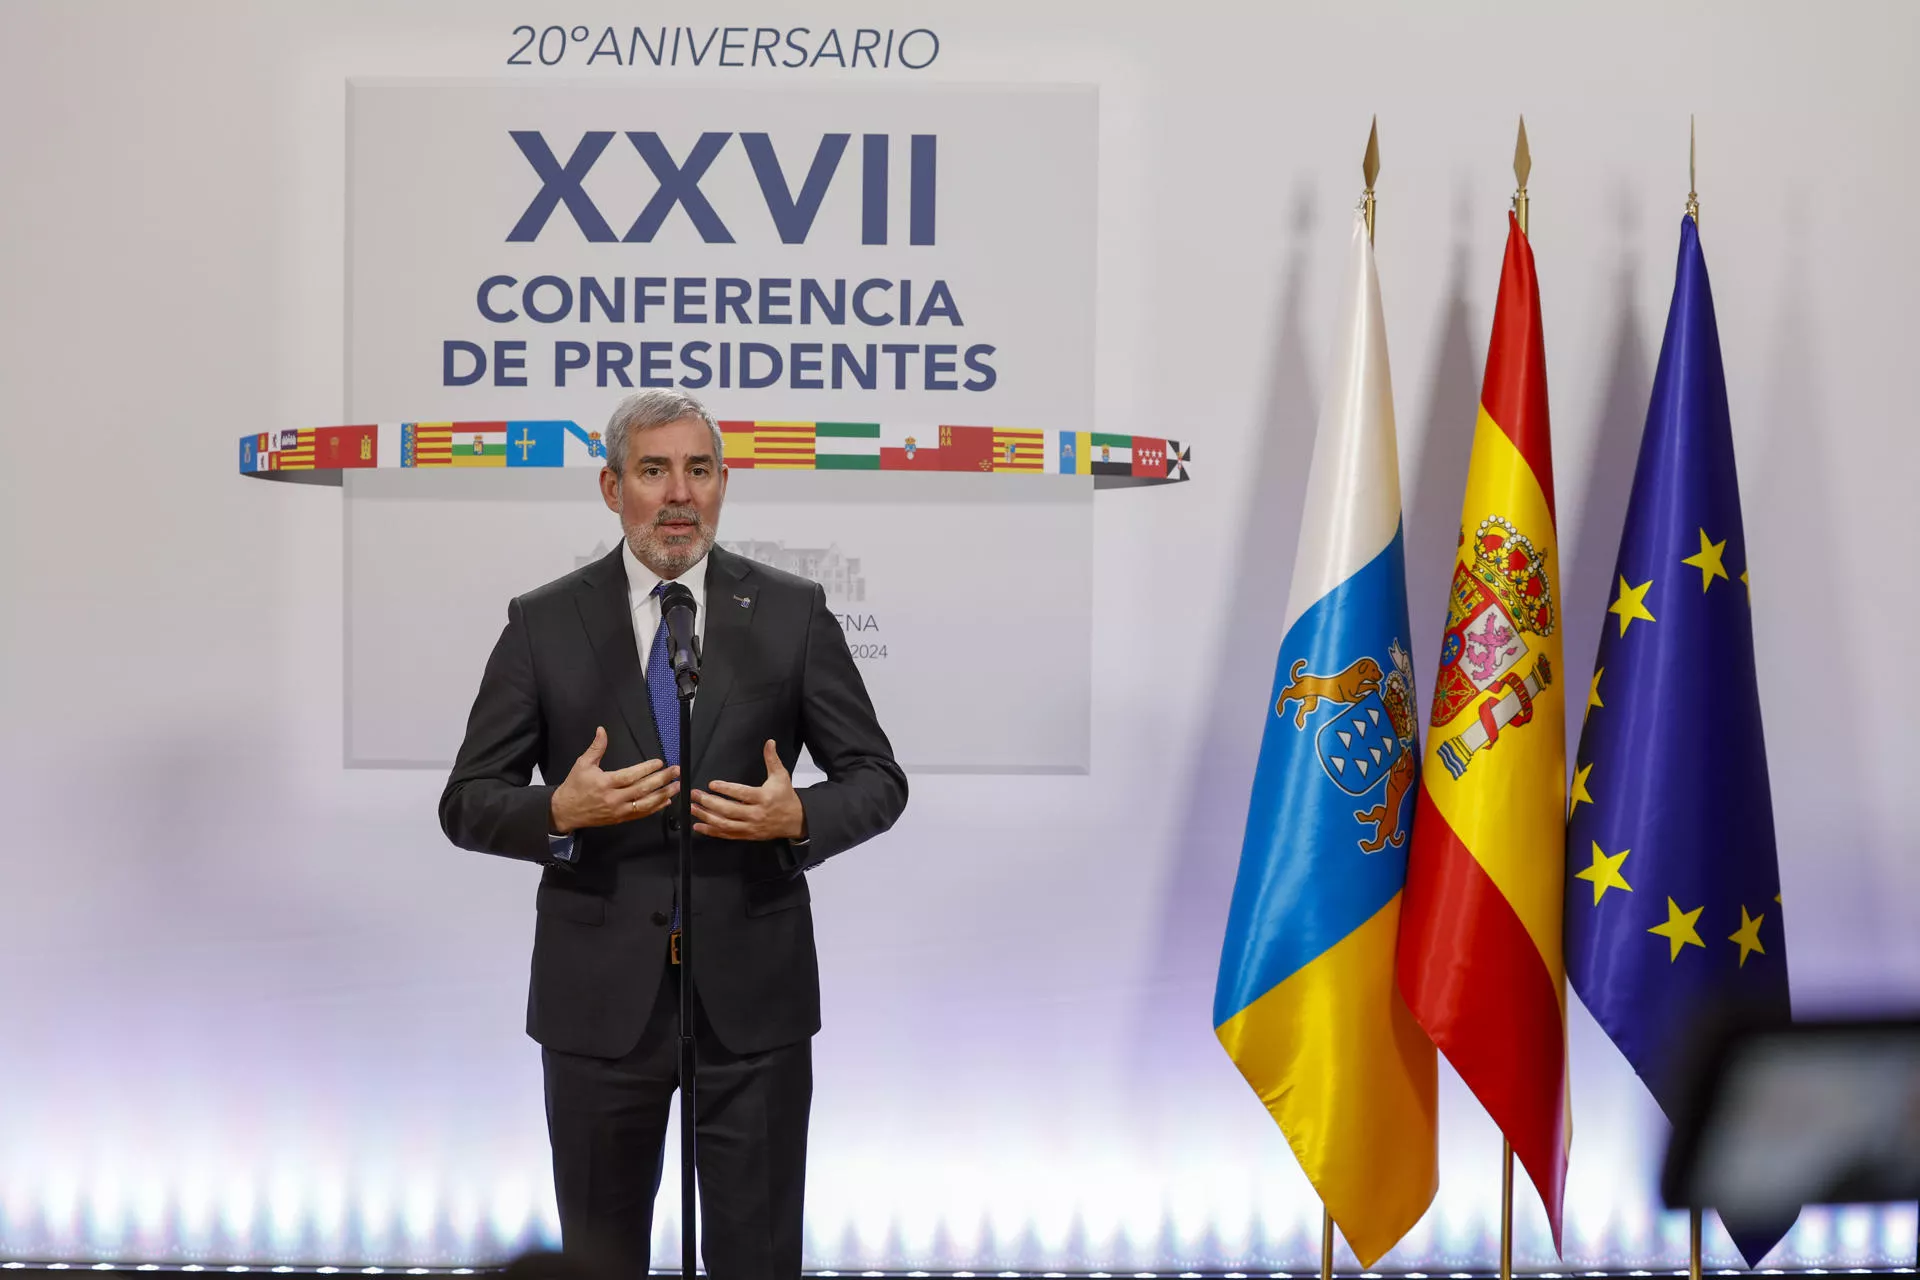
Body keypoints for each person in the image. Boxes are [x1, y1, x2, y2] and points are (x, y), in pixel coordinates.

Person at [439, 389, 908, 1278]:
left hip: (752, 1004)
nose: (679, 494)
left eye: (699, 471)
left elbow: (878, 781)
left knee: (757, 1258)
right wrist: (558, 815)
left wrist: (800, 815)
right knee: (600, 1261)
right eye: (654, 471)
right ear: (611, 488)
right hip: (599, 1005)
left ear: (725, 485)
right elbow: (468, 799)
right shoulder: (544, 622)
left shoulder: (790, 612)